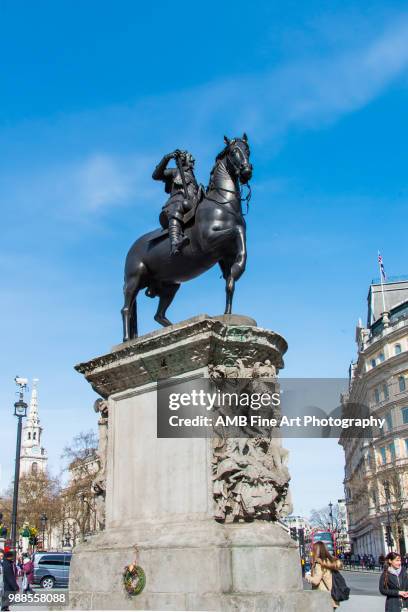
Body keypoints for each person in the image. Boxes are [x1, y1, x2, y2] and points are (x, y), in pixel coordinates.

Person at [153, 149, 200, 255]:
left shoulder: (193, 178)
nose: (193, 160)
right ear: (184, 160)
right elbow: (156, 175)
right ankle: (175, 242)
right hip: (174, 205)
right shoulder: (175, 172)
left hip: (190, 206)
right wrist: (167, 158)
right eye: (190, 158)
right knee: (178, 207)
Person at [305, 541, 343, 609]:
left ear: (316, 551)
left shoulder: (319, 564)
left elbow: (316, 581)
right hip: (332, 596)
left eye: (313, 550)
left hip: (323, 598)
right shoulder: (330, 561)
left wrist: (307, 576)